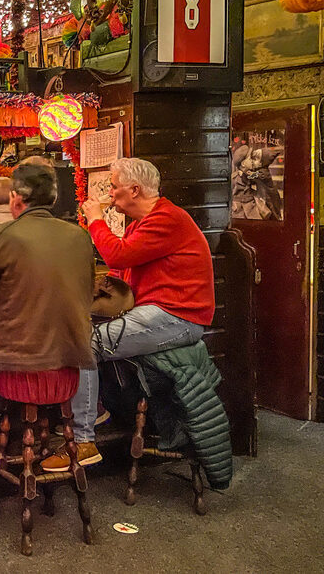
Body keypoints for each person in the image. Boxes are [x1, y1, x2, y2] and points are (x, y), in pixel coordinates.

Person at [42, 157, 214, 472]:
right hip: (159, 312)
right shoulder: (144, 223)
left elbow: (118, 253)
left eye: (115, 187)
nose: (111, 192)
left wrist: (95, 219)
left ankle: (83, 440)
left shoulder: (167, 219)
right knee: (83, 330)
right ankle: (96, 409)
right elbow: (122, 268)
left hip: (179, 318)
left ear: (134, 190)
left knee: (83, 344)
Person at [0, 163, 95, 461]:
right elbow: (87, 291)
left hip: (20, 362)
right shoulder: (79, 236)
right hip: (69, 359)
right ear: (52, 199)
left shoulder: (1, 236)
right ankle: (29, 428)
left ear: (16, 199)